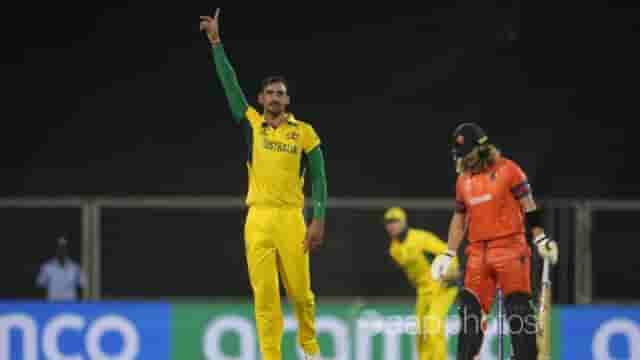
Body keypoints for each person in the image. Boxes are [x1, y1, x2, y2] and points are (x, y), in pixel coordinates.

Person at [199, 9, 328, 360]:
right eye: (269, 93)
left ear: (287, 100)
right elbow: (229, 83)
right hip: (257, 219)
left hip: (291, 218)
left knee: (301, 294)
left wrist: (318, 217)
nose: (274, 97)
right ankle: (271, 356)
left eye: (280, 93)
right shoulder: (252, 125)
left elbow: (319, 176)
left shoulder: (304, 133)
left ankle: (311, 350)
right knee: (265, 296)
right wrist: (216, 43)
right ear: (260, 99)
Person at [431, 123, 558, 360]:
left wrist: (540, 238)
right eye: (459, 155)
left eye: (466, 154)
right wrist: (448, 254)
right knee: (469, 312)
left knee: (518, 312)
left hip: (511, 248)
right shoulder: (463, 182)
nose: (462, 160)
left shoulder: (509, 170)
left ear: (481, 149)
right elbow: (459, 219)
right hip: (478, 252)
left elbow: (528, 206)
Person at [383, 207, 459, 360]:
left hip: (442, 286)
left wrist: (451, 270)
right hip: (424, 290)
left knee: (433, 327)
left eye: (395, 221)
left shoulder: (419, 238)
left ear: (404, 222)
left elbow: (445, 250)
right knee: (421, 333)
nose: (391, 225)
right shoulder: (394, 249)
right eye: (388, 222)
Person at [36, 237, 87, 301]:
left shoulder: (75, 267)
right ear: (56, 250)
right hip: (52, 303)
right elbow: (40, 284)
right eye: (60, 248)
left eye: (64, 248)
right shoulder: (47, 267)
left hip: (70, 304)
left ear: (67, 250)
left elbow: (83, 284)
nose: (62, 251)